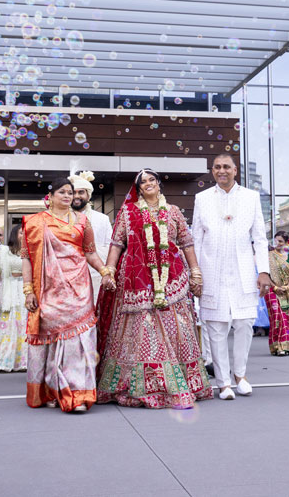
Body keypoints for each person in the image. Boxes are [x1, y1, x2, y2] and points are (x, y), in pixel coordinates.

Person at [95, 169, 212, 408]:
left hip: (173, 279)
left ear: (159, 184)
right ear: (138, 188)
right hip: (136, 278)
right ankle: (140, 385)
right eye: (142, 181)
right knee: (141, 328)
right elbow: (117, 244)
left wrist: (196, 273)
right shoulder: (128, 213)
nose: (148, 183)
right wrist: (108, 271)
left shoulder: (173, 212)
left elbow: (187, 243)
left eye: (151, 180)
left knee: (175, 326)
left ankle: (176, 383)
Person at [21, 177, 106, 413]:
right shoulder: (35, 223)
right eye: (63, 192)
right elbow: (27, 257)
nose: (69, 196)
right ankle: (50, 390)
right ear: (51, 196)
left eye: (71, 193)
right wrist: (28, 290)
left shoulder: (82, 221)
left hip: (79, 288)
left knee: (80, 341)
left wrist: (105, 271)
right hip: (48, 289)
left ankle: (78, 395)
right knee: (50, 341)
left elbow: (90, 253)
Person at [192, 153, 271, 401]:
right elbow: (195, 238)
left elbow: (259, 237)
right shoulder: (202, 198)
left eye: (226, 166)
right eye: (217, 167)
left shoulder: (251, 197)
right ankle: (223, 382)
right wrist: (194, 273)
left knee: (245, 323)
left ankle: (241, 376)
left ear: (235, 170)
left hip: (242, 271)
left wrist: (264, 271)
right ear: (212, 171)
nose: (222, 170)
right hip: (211, 271)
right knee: (216, 327)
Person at [0, 225, 28, 372]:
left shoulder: (29, 251)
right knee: (7, 326)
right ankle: (4, 361)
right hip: (8, 289)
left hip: (23, 289)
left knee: (23, 324)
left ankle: (23, 362)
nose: (23, 236)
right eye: (21, 233)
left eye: (25, 233)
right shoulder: (4, 250)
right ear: (14, 234)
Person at [68, 168, 112, 302]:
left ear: (88, 195)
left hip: (96, 275)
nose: (76, 196)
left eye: (81, 192)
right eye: (72, 193)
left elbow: (110, 247)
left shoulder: (102, 219)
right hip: (68, 276)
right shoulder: (60, 218)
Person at [264, 231, 289, 355]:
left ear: (286, 243)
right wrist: (275, 288)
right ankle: (278, 347)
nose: (277, 243)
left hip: (286, 291)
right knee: (278, 317)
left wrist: (287, 286)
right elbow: (265, 275)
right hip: (272, 291)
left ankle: (286, 346)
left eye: (280, 241)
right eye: (275, 240)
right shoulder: (269, 256)